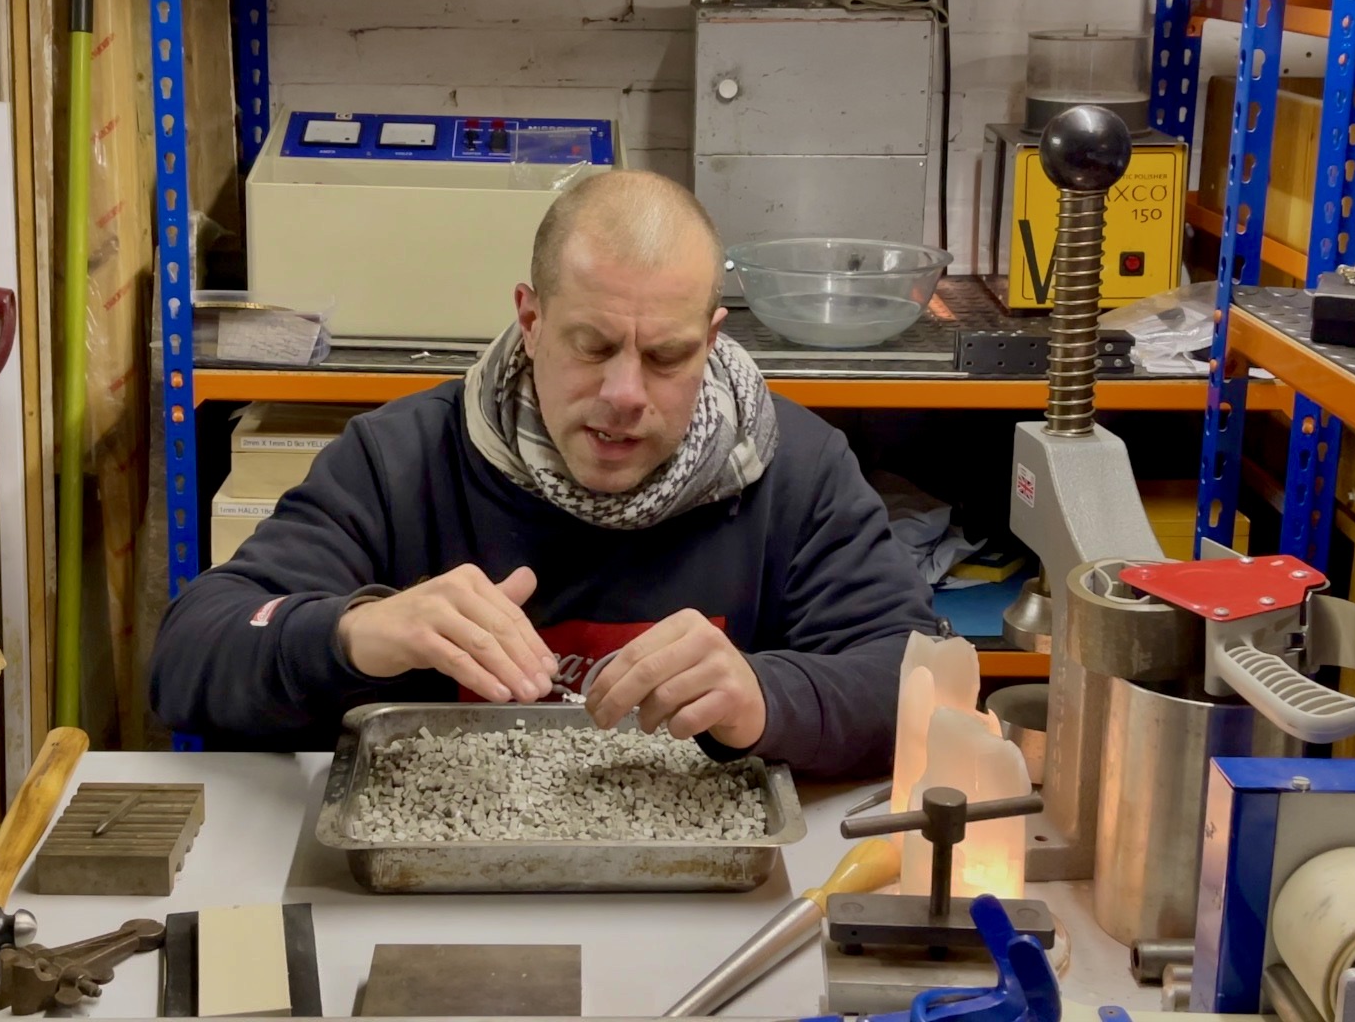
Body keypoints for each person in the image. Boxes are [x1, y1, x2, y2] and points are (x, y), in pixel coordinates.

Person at [150, 170, 938, 778]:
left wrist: (769, 699)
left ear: (710, 337)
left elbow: (919, 684)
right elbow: (192, 650)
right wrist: (353, 631)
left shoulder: (795, 469)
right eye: (591, 346)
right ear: (530, 320)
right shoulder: (401, 460)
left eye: (667, 356)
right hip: (433, 897)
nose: (624, 396)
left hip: (706, 902)